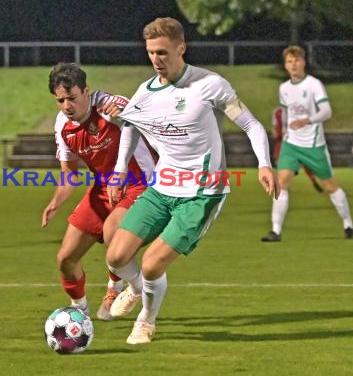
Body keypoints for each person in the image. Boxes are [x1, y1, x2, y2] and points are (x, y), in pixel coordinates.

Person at [104, 17, 278, 344]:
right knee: (116, 256)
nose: (156, 59)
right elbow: (130, 125)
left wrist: (264, 164)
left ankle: (146, 320)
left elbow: (252, 125)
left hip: (201, 193)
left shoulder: (210, 84)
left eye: (163, 52)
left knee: (153, 262)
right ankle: (138, 289)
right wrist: (119, 170)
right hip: (162, 187)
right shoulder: (145, 92)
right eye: (151, 53)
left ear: (181, 48)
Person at [42, 63, 156, 320]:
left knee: (112, 233)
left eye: (72, 98)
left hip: (141, 183)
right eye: (60, 100)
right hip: (103, 187)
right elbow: (69, 173)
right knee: (65, 259)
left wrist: (127, 113)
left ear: (87, 91)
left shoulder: (108, 104)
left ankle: (126, 287)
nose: (66, 105)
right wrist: (55, 202)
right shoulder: (63, 126)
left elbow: (143, 116)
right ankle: (79, 313)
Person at [261, 45, 353, 242]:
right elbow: (286, 113)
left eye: (296, 60)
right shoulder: (284, 88)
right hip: (291, 144)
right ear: (285, 65)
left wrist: (306, 121)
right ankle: (275, 231)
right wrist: (286, 132)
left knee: (330, 186)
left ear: (303, 62)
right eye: (289, 61)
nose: (293, 64)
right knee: (282, 182)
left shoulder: (314, 84)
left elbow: (326, 111)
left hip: (313, 144)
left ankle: (348, 224)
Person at [272, 106, 323, 192]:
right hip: (282, 142)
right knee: (281, 165)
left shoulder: (296, 111)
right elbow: (275, 128)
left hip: (295, 141)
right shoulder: (277, 112)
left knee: (305, 163)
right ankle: (282, 185)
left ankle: (312, 179)